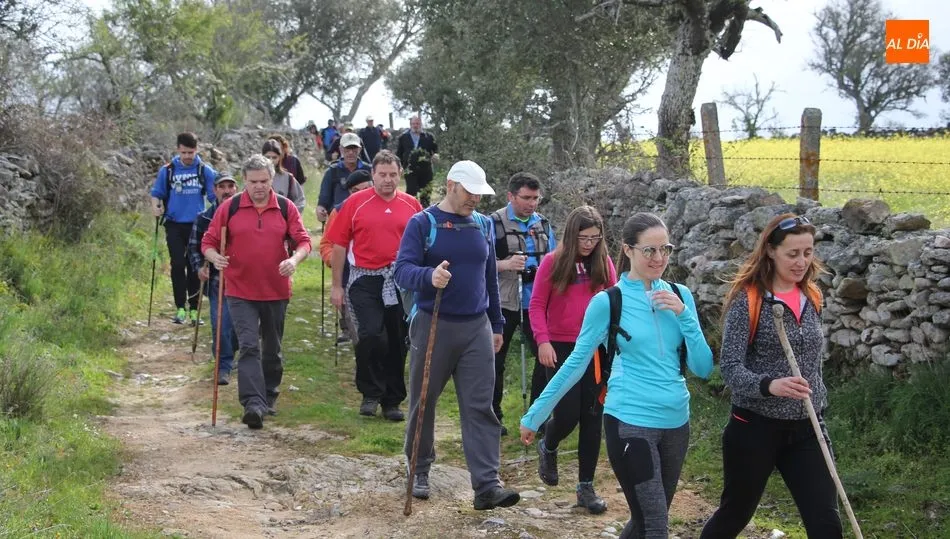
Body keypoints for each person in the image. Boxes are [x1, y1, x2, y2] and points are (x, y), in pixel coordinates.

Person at [520, 212, 713, 538]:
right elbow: (576, 363)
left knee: (645, 520)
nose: (659, 258)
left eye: (664, 249)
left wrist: (685, 317)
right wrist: (535, 415)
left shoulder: (681, 296)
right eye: (648, 250)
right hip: (629, 420)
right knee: (655, 526)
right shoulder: (608, 302)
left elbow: (703, 368)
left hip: (676, 421)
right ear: (628, 250)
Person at [700, 214, 842, 539]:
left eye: (807, 253)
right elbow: (731, 369)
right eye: (793, 254)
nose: (801, 262)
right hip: (754, 428)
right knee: (734, 515)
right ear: (771, 251)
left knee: (826, 523)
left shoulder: (813, 296)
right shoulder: (747, 301)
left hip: (807, 428)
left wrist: (818, 406)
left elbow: (813, 363)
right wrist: (770, 385)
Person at [394, 160, 520, 511]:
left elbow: (489, 278)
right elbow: (402, 270)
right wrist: (428, 276)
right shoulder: (423, 223)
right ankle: (419, 469)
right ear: (451, 185)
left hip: (476, 325)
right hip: (433, 322)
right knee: (424, 400)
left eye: (480, 193)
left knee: (480, 405)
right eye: (470, 192)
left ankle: (487, 485)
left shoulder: (482, 224)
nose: (476, 199)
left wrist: (496, 324)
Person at [201, 154, 312, 429]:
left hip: (276, 289)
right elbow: (209, 241)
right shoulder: (231, 207)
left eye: (264, 181)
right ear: (244, 181)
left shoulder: (286, 208)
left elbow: (304, 242)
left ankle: (270, 393)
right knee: (249, 346)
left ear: (272, 180)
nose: (259, 187)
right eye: (253, 182)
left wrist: (293, 260)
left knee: (272, 349)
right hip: (239, 289)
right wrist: (214, 258)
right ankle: (253, 403)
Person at [527, 205, 617, 514]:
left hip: (595, 350)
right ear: (571, 235)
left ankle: (585, 488)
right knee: (566, 415)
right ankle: (548, 445)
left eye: (595, 237)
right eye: (584, 238)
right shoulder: (552, 263)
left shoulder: (604, 264)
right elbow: (537, 304)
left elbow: (615, 303)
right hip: (562, 348)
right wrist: (543, 341)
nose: (589, 244)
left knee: (593, 418)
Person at [326, 150, 422, 420]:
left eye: (393, 175)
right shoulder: (355, 203)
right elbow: (339, 245)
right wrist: (336, 286)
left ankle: (392, 400)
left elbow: (424, 243)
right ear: (373, 175)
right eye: (382, 175)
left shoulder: (412, 205)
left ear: (400, 175)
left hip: (400, 280)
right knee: (371, 335)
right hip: (364, 278)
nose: (388, 180)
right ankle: (370, 392)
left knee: (397, 340)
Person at [489, 172, 557, 434]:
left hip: (536, 304)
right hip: (503, 302)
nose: (531, 204)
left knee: (546, 357)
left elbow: (553, 261)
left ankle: (538, 415)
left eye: (535, 198)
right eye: (526, 198)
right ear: (511, 196)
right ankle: (492, 415)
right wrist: (506, 264)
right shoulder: (493, 223)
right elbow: (480, 264)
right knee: (495, 360)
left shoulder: (544, 225)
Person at [149, 132, 217, 325]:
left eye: (191, 152)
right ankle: (180, 308)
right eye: (184, 152)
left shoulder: (204, 170)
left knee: (194, 265)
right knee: (178, 264)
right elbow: (157, 193)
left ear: (197, 150)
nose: (188, 156)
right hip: (173, 223)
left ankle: (194, 310)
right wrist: (156, 207)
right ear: (178, 149)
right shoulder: (168, 170)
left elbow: (215, 196)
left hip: (196, 224)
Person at [187, 172, 240, 385]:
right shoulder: (204, 218)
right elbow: (193, 246)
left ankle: (234, 353)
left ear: (236, 189)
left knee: (239, 325)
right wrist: (200, 267)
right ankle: (223, 366)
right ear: (215, 190)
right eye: (222, 186)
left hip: (244, 279)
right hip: (218, 281)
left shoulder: (244, 215)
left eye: (230, 186)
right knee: (221, 324)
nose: (227, 191)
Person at [319, 169, 373, 344]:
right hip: (348, 279)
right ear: (350, 192)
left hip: (380, 280)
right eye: (358, 190)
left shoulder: (384, 209)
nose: (364, 194)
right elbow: (326, 244)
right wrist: (334, 261)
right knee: (360, 333)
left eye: (368, 188)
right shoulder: (339, 211)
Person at [317, 132, 370, 223]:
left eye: (354, 149)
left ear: (360, 149)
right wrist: (320, 210)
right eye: (347, 149)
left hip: (365, 219)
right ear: (340, 149)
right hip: (338, 219)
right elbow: (323, 199)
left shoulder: (369, 170)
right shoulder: (332, 172)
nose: (350, 152)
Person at [396, 116, 438, 206]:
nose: (415, 126)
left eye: (417, 123)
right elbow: (399, 154)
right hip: (410, 169)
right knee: (411, 192)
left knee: (426, 194)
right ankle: (410, 212)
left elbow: (435, 150)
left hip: (426, 170)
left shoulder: (429, 137)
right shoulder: (403, 137)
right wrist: (399, 166)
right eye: (413, 124)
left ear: (421, 124)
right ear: (410, 124)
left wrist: (436, 155)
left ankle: (425, 213)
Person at [262, 139, 306, 211]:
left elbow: (300, 200)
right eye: (267, 157)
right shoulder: (253, 178)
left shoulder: (288, 178)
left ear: (279, 158)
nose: (271, 160)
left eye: (274, 157)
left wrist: (291, 215)